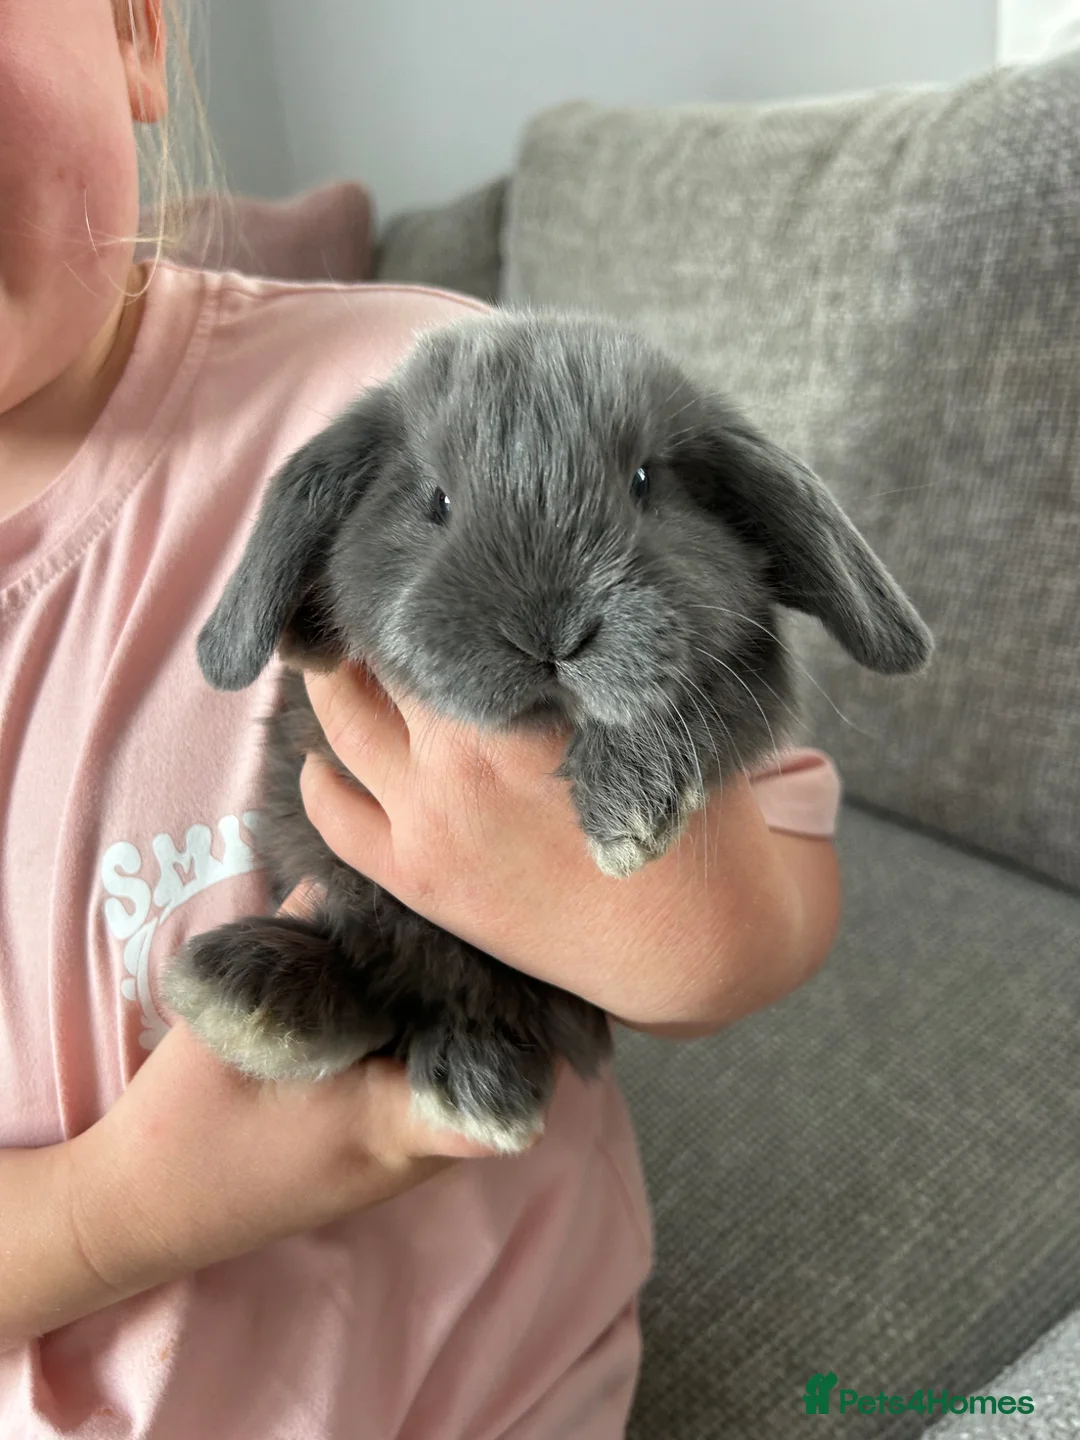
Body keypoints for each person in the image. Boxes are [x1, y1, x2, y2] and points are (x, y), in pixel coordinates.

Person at [0, 1, 842, 1435]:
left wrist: (609, 892)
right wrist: (113, 1212)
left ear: (136, 32)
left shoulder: (410, 389)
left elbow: (769, 894)